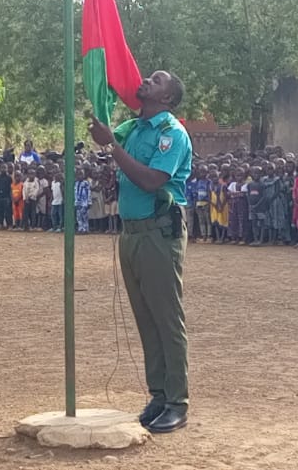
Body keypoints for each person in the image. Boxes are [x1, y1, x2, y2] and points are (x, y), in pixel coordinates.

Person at [86, 69, 193, 434]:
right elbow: (127, 176)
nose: (147, 80)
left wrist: (112, 148)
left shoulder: (171, 133)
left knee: (167, 319)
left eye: (157, 80)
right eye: (149, 77)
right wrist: (110, 159)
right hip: (132, 233)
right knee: (146, 319)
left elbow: (151, 180)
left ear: (167, 98)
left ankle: (177, 402)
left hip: (158, 233)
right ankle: (159, 395)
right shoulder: (134, 129)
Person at [74, 167, 91, 234]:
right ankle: (80, 228)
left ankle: (85, 229)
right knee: (78, 216)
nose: (80, 176)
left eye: (81, 174)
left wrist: (89, 202)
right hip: (77, 202)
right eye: (78, 174)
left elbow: (88, 192)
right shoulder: (76, 183)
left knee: (84, 216)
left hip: (84, 202)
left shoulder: (86, 183)